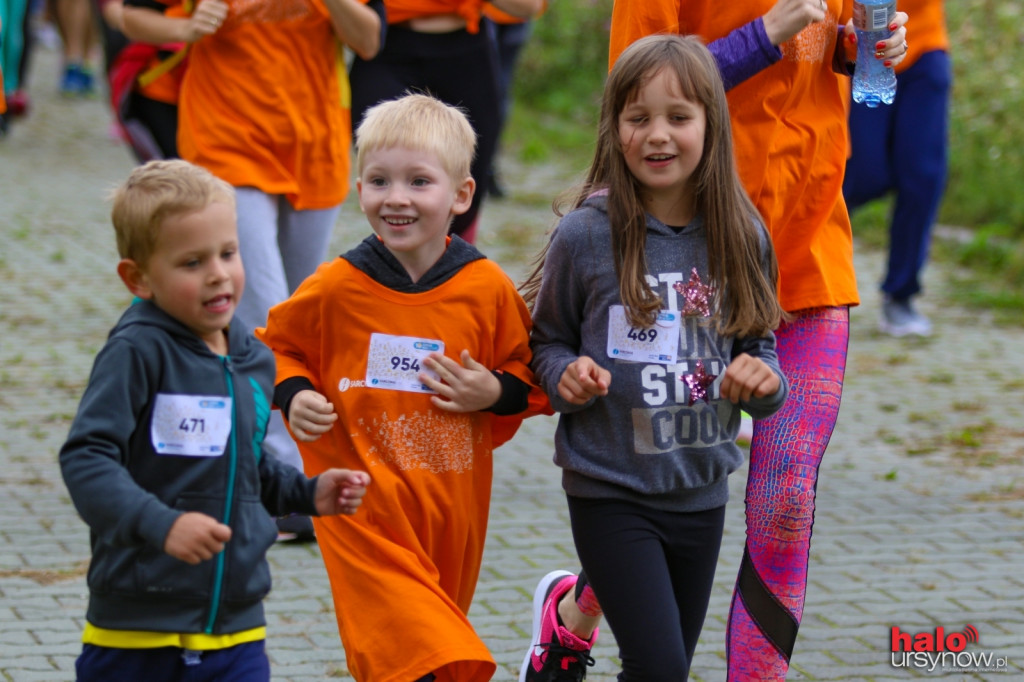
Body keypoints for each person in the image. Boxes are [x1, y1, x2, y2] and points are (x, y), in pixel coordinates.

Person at [601, 2, 909, 680]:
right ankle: (574, 611)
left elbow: (830, 69)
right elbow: (635, 96)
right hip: (690, 256)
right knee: (656, 491)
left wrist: (870, 49)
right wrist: (766, 33)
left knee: (785, 504)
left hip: (808, 256)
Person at [518, 34, 790, 681]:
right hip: (609, 488)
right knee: (661, 667)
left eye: (678, 117)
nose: (657, 135)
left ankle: (558, 648)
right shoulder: (587, 234)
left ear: (711, 127)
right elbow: (546, 341)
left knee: (667, 665)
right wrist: (567, 377)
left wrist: (763, 381)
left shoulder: (742, 233)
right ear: (615, 129)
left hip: (700, 492)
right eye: (638, 117)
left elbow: (762, 349)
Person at [256, 93, 548, 682]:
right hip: (363, 514)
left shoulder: (486, 289)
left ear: (462, 195)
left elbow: (532, 376)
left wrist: (492, 392)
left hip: (450, 513)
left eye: (419, 182)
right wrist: (294, 395)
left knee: (419, 656)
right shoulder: (337, 287)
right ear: (358, 186)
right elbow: (269, 347)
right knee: (420, 648)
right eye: (379, 180)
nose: (396, 198)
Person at [58, 159, 371, 682]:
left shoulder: (252, 357)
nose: (219, 273)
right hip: (139, 626)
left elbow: (244, 463)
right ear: (138, 278)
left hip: (236, 623)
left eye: (228, 253)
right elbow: (87, 459)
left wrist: (306, 493)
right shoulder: (136, 352)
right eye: (192, 262)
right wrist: (162, 525)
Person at [121, 0, 385, 540]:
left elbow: (370, 39)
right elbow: (128, 15)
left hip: (314, 144)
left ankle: (253, 453)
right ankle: (281, 482)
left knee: (296, 320)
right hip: (226, 140)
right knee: (263, 303)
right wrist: (182, 27)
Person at [349, 0, 544, 243]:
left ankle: (454, 271)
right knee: (387, 173)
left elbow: (528, 7)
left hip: (464, 47)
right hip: (386, 46)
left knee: (466, 184)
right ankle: (392, 270)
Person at [844, 0, 949, 337]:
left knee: (923, 176)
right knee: (865, 174)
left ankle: (900, 295)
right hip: (861, 46)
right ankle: (796, 254)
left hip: (923, 50)